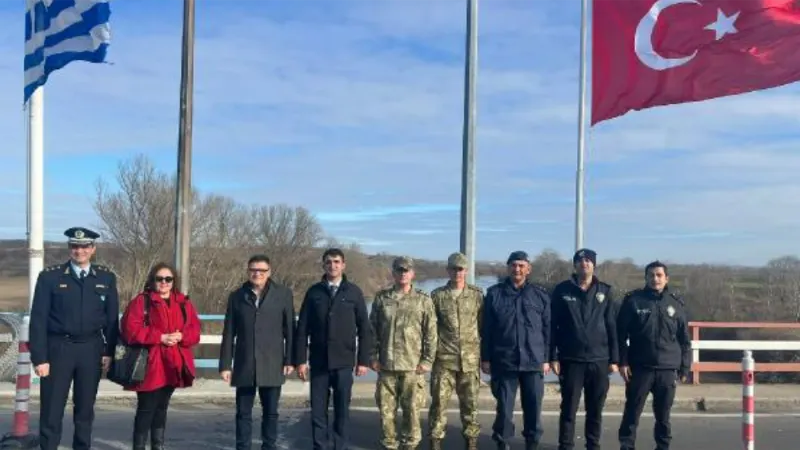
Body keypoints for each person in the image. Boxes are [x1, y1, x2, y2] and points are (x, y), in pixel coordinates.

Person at [28, 227, 119, 450]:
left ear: (93, 249)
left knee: (85, 411)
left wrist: (109, 352)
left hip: (91, 349)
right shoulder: (50, 277)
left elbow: (111, 320)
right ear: (70, 249)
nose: (80, 251)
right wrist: (40, 358)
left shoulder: (105, 278)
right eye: (75, 246)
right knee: (51, 409)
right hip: (59, 348)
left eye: (85, 246)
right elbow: (38, 320)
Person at [294, 248, 373, 450]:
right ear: (323, 265)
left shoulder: (354, 292)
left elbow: (365, 329)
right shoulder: (314, 292)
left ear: (343, 265)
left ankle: (340, 446)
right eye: (328, 262)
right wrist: (301, 360)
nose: (333, 265)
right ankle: (319, 446)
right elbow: (302, 328)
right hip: (319, 362)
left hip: (344, 362)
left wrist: (363, 361)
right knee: (318, 412)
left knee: (342, 412)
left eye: (336, 262)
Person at [120, 262, 202, 450]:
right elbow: (130, 330)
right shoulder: (142, 301)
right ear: (153, 280)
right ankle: (139, 446)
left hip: (173, 364)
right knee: (146, 409)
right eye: (160, 279)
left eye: (168, 279)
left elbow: (194, 330)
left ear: (174, 281)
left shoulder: (183, 302)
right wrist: (160, 337)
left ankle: (158, 445)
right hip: (150, 364)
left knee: (162, 408)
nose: (164, 282)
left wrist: (182, 336)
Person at [219, 254, 296, 450]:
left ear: (269, 272)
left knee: (271, 412)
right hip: (245, 363)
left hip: (273, 362)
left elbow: (290, 331)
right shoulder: (237, 296)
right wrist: (225, 365)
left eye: (262, 270)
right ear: (248, 271)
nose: (257, 273)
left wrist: (290, 360)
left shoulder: (283, 294)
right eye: (253, 270)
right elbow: (229, 333)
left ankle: (268, 446)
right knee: (243, 413)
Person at [617, 261, 691, 450]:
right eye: (651, 275)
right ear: (646, 278)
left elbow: (684, 340)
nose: (655, 279)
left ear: (666, 278)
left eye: (659, 275)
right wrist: (623, 362)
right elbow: (620, 335)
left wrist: (685, 367)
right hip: (640, 368)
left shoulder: (676, 304)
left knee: (663, 416)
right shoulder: (633, 301)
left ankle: (663, 446)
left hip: (667, 369)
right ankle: (626, 445)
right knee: (632, 412)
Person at [549, 248, 619, 450]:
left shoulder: (605, 291)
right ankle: (566, 445)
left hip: (599, 360)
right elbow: (553, 325)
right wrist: (552, 356)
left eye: (588, 261)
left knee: (595, 409)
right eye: (580, 261)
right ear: (575, 265)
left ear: (594, 265)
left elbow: (612, 326)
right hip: (571, 360)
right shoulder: (562, 290)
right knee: (569, 408)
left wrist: (614, 359)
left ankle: (592, 445)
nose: (584, 264)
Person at [481, 250, 551, 450]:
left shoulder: (541, 295)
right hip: (505, 360)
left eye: (521, 265)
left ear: (528, 269)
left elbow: (548, 329)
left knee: (533, 407)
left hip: (533, 360)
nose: (517, 269)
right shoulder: (494, 294)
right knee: (504, 409)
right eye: (514, 265)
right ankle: (502, 442)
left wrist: (547, 358)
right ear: (508, 267)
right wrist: (485, 358)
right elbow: (487, 330)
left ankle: (532, 442)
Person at [369, 256, 437, 450]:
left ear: (412, 274)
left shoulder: (423, 300)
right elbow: (372, 330)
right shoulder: (382, 298)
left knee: (412, 412)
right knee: (386, 411)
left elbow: (431, 333)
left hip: (412, 367)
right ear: (393, 273)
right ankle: (389, 444)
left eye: (406, 270)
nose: (403, 274)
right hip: (387, 365)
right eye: (399, 270)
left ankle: (410, 445)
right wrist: (372, 357)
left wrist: (426, 361)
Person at [427, 252, 483, 450]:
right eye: (453, 269)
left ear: (466, 271)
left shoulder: (476, 295)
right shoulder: (437, 296)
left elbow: (483, 327)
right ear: (447, 270)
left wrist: (484, 357)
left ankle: (471, 442)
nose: (457, 273)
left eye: (460, 269)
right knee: (439, 406)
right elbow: (430, 329)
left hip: (470, 361)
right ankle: (435, 442)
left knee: (471, 407)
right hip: (444, 360)